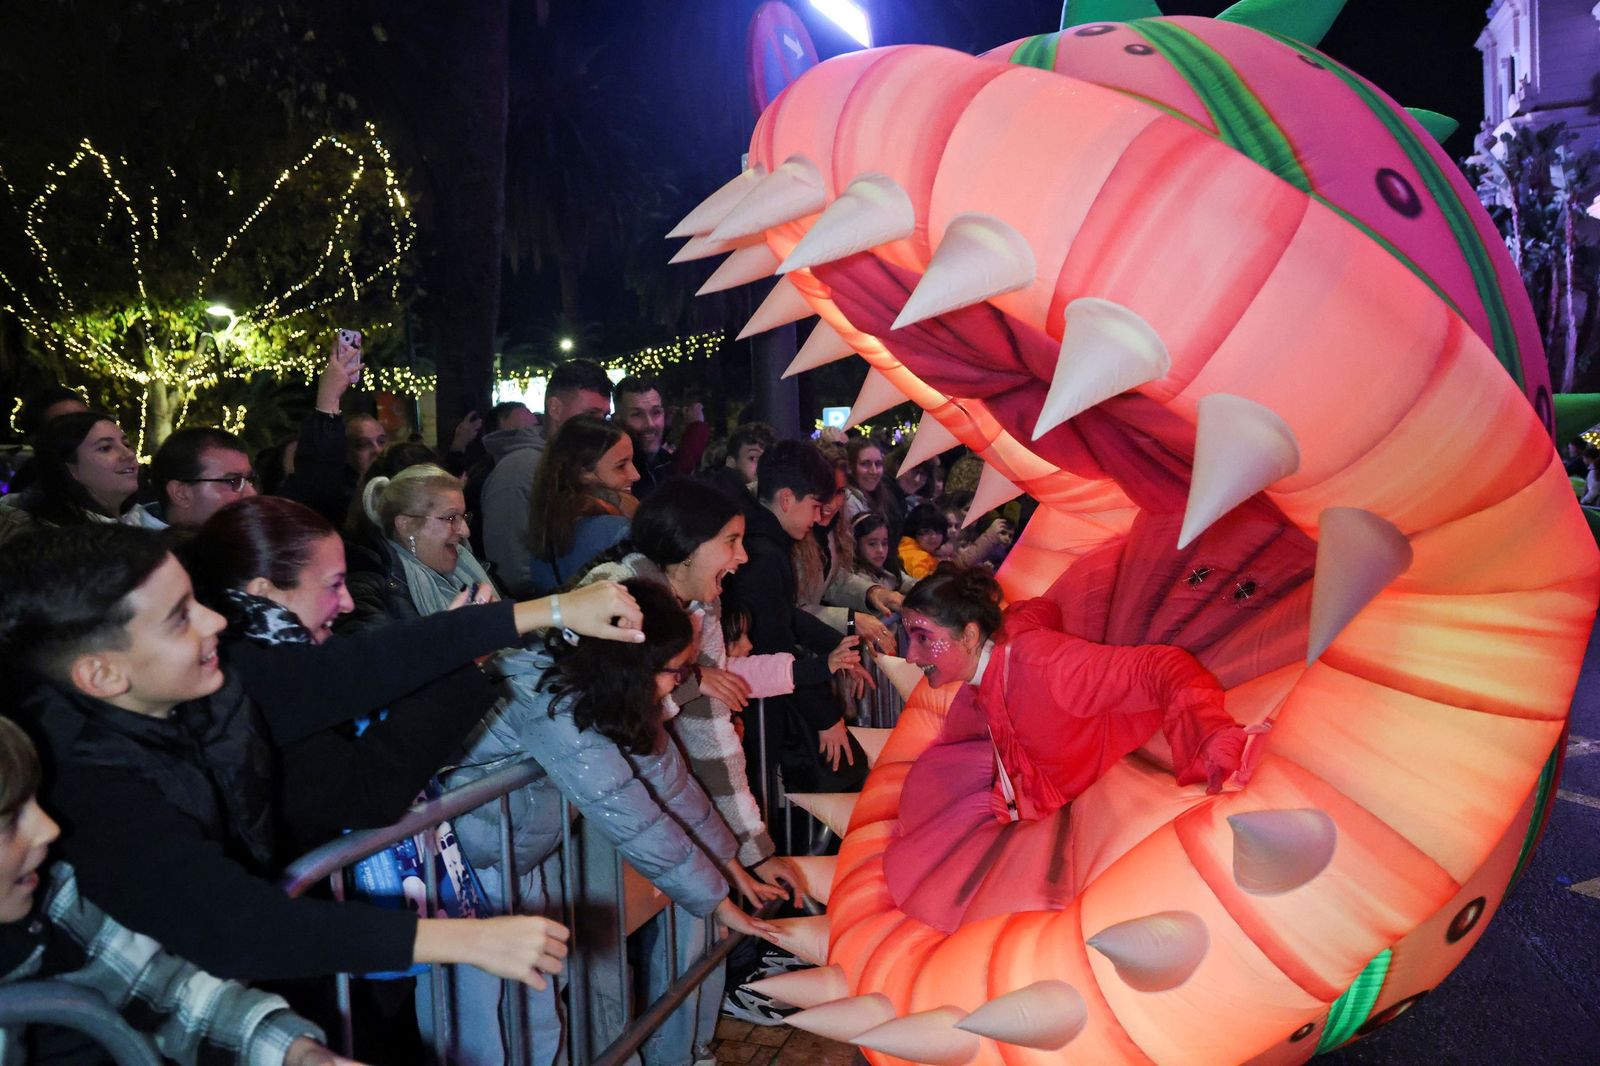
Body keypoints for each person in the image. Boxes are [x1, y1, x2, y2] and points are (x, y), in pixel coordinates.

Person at [0, 523, 641, 989]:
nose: (216, 622)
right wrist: (462, 937)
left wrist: (549, 609)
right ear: (102, 674)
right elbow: (227, 922)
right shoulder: (82, 786)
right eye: (179, 618)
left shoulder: (201, 688)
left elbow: (355, 669)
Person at [446, 578, 780, 1066]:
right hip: (467, 863)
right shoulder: (560, 706)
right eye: (676, 671)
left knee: (537, 1005)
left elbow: (671, 782)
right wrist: (718, 900)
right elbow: (636, 818)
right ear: (634, 664)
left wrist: (730, 866)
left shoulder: (602, 694)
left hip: (514, 848)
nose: (682, 680)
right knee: (492, 1022)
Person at [885, 565, 1250, 929]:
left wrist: (1208, 732)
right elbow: (1037, 611)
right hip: (1036, 799)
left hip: (1102, 824)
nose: (912, 656)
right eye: (910, 639)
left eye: (923, 638)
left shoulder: (1046, 666)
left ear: (968, 634)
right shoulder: (991, 670)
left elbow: (1161, 667)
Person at [0, 717, 350, 1066]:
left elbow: (165, 994)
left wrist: (297, 1054)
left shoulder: (50, 906)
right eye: (10, 821)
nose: (48, 829)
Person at [722, 441, 872, 795]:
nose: (820, 518)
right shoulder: (762, 552)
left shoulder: (766, 542)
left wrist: (838, 646)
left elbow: (782, 616)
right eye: (815, 506)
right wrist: (825, 714)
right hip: (761, 702)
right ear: (787, 499)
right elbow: (776, 638)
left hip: (766, 695)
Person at [480, 359, 613, 597]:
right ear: (555, 408)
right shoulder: (518, 470)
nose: (599, 425)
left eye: (604, 416)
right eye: (591, 414)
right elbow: (512, 570)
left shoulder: (572, 463)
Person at [344, 463, 496, 629]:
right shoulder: (369, 590)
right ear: (405, 525)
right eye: (451, 518)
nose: (465, 532)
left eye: (463, 517)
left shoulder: (466, 565)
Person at [526, 416, 638, 595]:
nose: (635, 474)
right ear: (583, 472)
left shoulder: (546, 527)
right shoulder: (617, 530)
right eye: (621, 466)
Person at [0, 411, 139, 547]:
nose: (128, 454)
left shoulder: (146, 521)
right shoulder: (45, 544)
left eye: (126, 444)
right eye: (105, 448)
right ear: (70, 468)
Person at [123, 426, 259, 531]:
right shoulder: (137, 558)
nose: (252, 494)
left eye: (250, 480)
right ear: (181, 493)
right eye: (233, 481)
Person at [613, 376, 710, 499]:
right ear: (617, 421)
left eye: (656, 412)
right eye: (637, 414)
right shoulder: (615, 474)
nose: (650, 424)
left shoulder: (665, 462)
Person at [841, 437, 904, 547]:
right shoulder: (848, 500)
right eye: (865, 464)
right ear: (849, 467)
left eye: (878, 464)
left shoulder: (883, 495)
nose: (873, 471)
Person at [700, 421, 774, 505]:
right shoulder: (714, 502)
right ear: (731, 463)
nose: (762, 466)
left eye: (766, 459)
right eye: (753, 458)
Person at [850, 512, 914, 592]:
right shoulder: (852, 578)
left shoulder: (889, 567)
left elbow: (910, 583)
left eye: (884, 543)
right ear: (855, 544)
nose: (880, 550)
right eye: (872, 544)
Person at [898, 502, 950, 580]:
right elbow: (926, 586)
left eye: (938, 531)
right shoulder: (920, 558)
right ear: (913, 530)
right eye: (926, 531)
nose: (933, 537)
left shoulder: (904, 547)